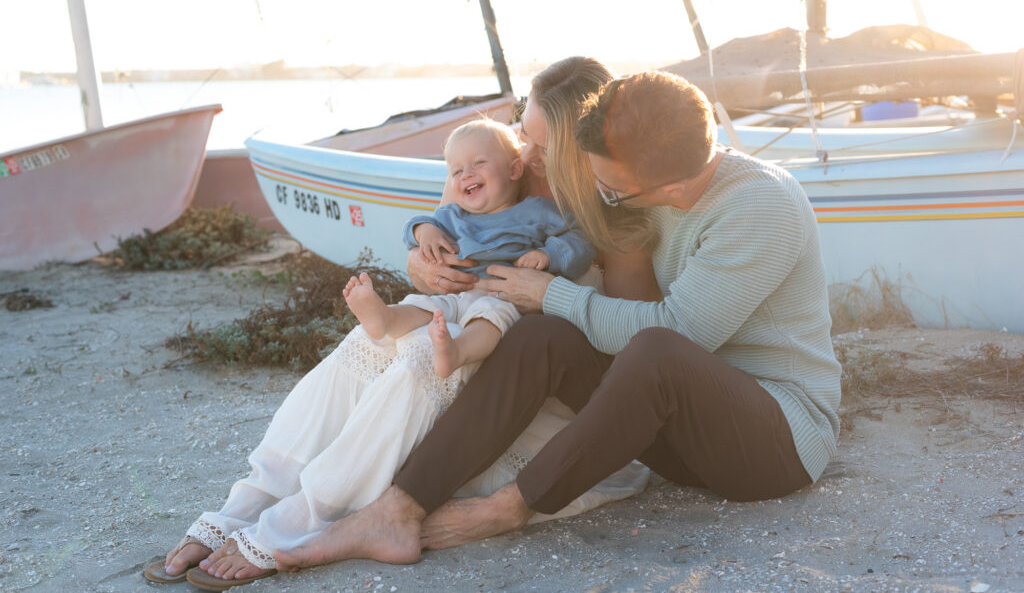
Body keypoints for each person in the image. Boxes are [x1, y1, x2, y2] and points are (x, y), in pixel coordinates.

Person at [271, 70, 842, 570]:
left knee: (654, 347)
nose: (601, 195)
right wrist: (429, 251)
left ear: (670, 187)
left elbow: (682, 333)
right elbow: (486, 206)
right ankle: (399, 508)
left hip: (774, 444)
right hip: (681, 436)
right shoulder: (645, 160)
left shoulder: (759, 207)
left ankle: (509, 506)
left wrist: (550, 292)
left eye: (613, 192)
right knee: (544, 337)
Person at [142, 57, 656, 590]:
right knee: (371, 343)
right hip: (471, 339)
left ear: (582, 147)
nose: (526, 155)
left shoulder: (608, 215)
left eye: (543, 147)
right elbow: (434, 232)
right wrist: (423, 265)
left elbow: (634, 349)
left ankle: (301, 520)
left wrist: (552, 294)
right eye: (523, 134)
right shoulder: (504, 172)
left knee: (422, 358)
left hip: (532, 394)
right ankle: (250, 501)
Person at [344, 118, 595, 379]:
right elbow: (415, 225)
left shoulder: (535, 212)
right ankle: (386, 319)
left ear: (514, 170)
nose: (467, 174)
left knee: (490, 318)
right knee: (427, 306)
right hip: (459, 294)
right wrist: (424, 232)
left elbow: (579, 239)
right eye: (456, 171)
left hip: (506, 298)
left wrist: (547, 255)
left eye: (479, 163)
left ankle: (457, 352)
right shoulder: (454, 216)